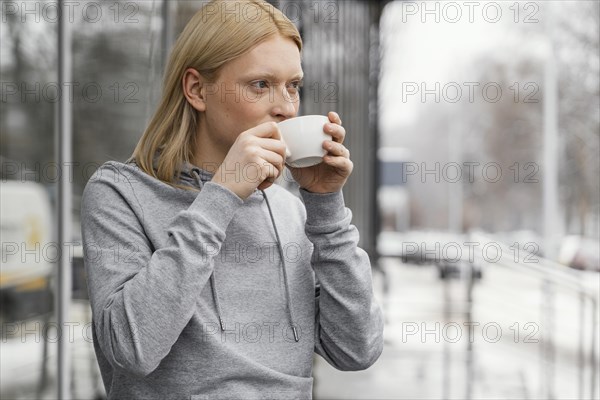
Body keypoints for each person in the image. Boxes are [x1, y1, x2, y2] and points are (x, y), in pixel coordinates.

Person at [80, 0, 384, 399]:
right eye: (261, 84)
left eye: (293, 86)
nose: (285, 107)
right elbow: (131, 348)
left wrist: (325, 205)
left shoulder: (290, 209)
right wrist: (221, 196)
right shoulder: (119, 194)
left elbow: (357, 349)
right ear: (196, 89)